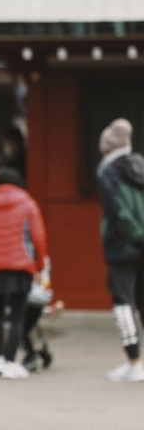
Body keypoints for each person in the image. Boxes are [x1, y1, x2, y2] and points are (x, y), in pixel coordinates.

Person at [0, 168, 48, 380]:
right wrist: (40, 264)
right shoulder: (28, 204)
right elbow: (38, 236)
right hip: (20, 266)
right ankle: (10, 360)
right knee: (17, 315)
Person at [97, 118, 144, 383]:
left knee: (123, 302)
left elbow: (117, 211)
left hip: (122, 246)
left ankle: (135, 363)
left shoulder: (108, 172)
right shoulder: (141, 164)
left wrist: (136, 235)